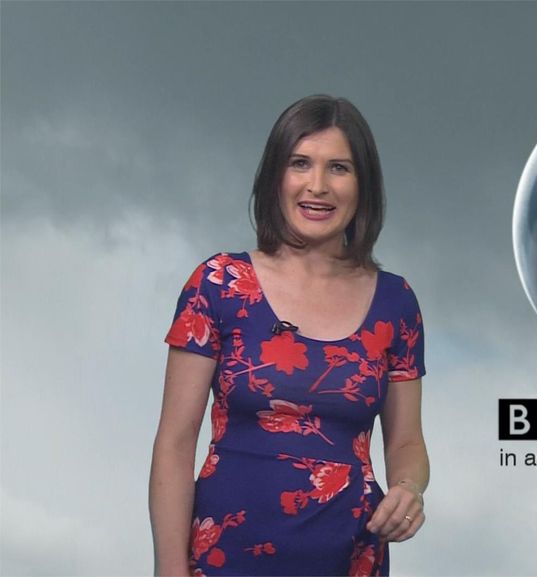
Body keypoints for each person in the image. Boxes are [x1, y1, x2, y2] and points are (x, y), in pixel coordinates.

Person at [149, 95, 428, 576]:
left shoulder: (396, 302)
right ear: (275, 176)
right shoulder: (218, 284)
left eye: (339, 167)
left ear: (363, 184)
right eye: (300, 163)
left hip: (350, 558)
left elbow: (406, 443)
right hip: (224, 560)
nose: (318, 185)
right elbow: (174, 444)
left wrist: (408, 488)